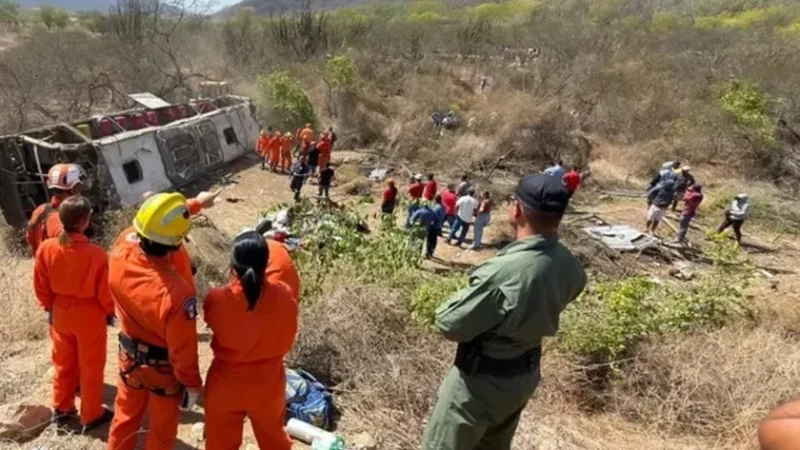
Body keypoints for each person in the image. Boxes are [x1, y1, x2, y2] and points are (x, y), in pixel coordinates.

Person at [422, 174, 587, 450]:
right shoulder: (569, 264)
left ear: (518, 209)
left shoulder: (506, 272)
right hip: (522, 376)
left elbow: (449, 323)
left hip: (480, 382)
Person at [107, 193, 202, 450]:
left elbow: (153, 224)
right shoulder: (176, 295)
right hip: (161, 371)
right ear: (176, 245)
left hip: (129, 357)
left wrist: (194, 205)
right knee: (160, 432)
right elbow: (183, 350)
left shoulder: (121, 248)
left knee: (124, 418)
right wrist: (192, 385)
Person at [203, 231, 298, 450]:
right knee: (274, 442)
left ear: (233, 265)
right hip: (269, 384)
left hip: (226, 383)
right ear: (267, 262)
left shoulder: (217, 299)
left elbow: (213, 322)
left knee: (220, 445)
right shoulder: (284, 294)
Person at [33, 196, 115, 432]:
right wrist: (109, 312)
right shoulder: (97, 254)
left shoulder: (46, 248)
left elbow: (40, 283)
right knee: (90, 366)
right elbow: (104, 291)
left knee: (63, 363)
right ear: (85, 221)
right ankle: (91, 414)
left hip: (60, 312)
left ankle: (61, 408)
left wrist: (49, 307)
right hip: (89, 314)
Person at [27, 163, 87, 254]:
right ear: (75, 189)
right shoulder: (62, 219)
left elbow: (30, 237)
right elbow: (69, 249)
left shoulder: (40, 210)